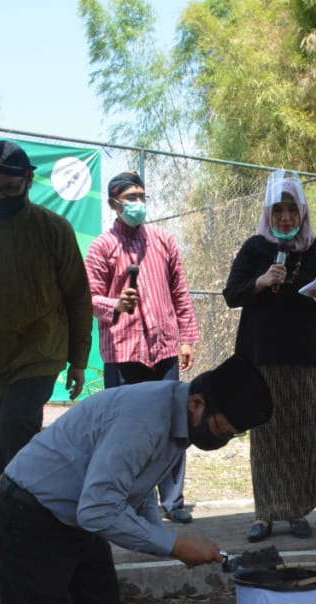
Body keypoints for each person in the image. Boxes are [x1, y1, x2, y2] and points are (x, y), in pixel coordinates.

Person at [0, 354, 272, 604]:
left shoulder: (177, 418)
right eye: (222, 430)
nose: (223, 439)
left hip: (77, 519)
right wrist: (173, 544)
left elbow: (137, 493)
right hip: (28, 518)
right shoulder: (142, 418)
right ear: (198, 403)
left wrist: (168, 539)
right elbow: (99, 509)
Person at [0, 140, 93, 490]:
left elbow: (78, 298)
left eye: (10, 188)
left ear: (27, 180)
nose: (0, 197)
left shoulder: (54, 229)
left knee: (17, 431)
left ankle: (24, 519)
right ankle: (6, 525)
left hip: (40, 351)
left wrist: (78, 360)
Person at [223, 171, 316, 542]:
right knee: (266, 435)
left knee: (302, 434)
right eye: (278, 210)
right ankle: (264, 513)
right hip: (262, 357)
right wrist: (260, 282)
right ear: (268, 213)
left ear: (303, 211)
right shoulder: (254, 248)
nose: (285, 218)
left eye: (292, 209)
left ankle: (297, 511)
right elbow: (232, 294)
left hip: (307, 358)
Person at [85, 171, 201, 523]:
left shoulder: (164, 241)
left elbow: (180, 292)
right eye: (130, 198)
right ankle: (130, 501)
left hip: (164, 347)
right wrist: (115, 304)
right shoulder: (102, 247)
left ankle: (173, 501)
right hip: (123, 351)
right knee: (125, 430)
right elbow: (87, 297)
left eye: (142, 197)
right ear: (113, 204)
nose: (138, 204)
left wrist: (187, 338)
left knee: (173, 424)